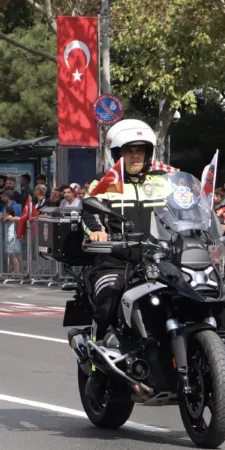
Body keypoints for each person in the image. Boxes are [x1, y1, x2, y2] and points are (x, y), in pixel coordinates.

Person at [80, 119, 176, 405]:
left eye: (141, 151)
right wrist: (96, 231)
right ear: (117, 154)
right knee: (108, 303)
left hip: (158, 260)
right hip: (114, 261)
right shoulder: (105, 184)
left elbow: (184, 208)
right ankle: (97, 373)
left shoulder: (161, 184)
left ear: (149, 154)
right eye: (129, 151)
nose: (136, 156)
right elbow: (89, 212)